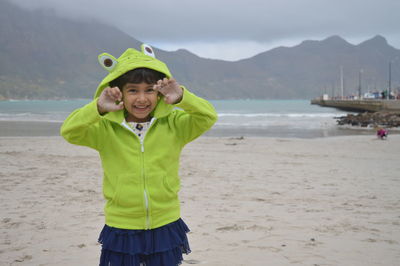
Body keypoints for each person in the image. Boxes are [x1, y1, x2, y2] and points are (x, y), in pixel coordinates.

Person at [60, 44, 217, 266]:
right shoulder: (105, 130)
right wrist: (98, 108)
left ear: (160, 93)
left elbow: (207, 116)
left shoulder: (175, 126)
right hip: (122, 224)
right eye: (133, 90)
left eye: (149, 90)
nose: (142, 99)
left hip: (166, 221)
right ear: (119, 92)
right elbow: (69, 131)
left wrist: (182, 97)